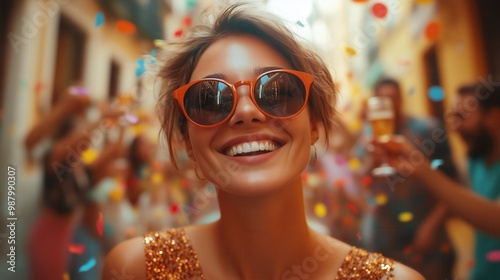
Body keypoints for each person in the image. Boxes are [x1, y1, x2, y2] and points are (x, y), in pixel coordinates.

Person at [103, 3, 424, 279]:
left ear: (313, 123)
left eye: (278, 91)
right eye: (210, 99)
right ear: (187, 139)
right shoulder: (135, 269)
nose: (246, 111)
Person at [374, 84, 500, 279]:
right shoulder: (476, 161)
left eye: (462, 116)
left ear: (493, 118)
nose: (454, 126)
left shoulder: (426, 129)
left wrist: (422, 168)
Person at [357, 79, 457, 279]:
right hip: (384, 243)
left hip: (426, 240)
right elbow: (362, 180)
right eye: (382, 100)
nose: (389, 104)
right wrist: (370, 162)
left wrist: (431, 226)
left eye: (393, 98)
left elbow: (453, 183)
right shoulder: (368, 136)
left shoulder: (428, 129)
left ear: (401, 98)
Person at [25, 87, 125, 280]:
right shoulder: (56, 161)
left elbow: (115, 150)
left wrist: (123, 122)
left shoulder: (82, 169)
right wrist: (101, 118)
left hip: (67, 237)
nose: (85, 140)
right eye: (77, 134)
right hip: (49, 236)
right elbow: (80, 139)